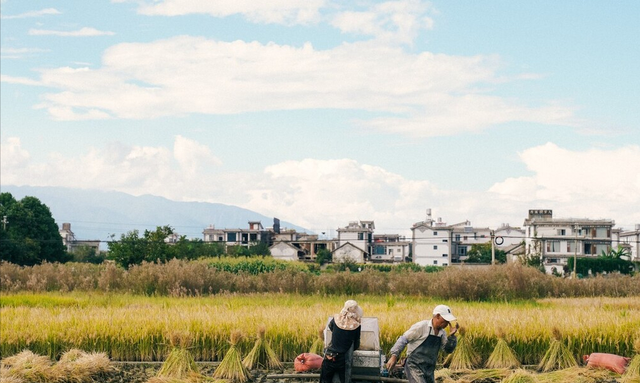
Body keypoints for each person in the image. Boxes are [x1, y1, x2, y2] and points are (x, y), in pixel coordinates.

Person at [385, 304, 459, 383]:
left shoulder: (442, 333)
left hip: (429, 369)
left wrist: (452, 336)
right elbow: (403, 339)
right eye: (445, 320)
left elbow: (448, 350)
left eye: (448, 321)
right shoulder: (422, 327)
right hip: (414, 366)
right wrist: (394, 356)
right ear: (437, 316)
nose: (447, 323)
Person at [319, 300, 363, 383]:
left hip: (330, 355)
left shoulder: (335, 319)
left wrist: (338, 336)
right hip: (343, 359)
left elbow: (330, 327)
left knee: (325, 380)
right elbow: (356, 343)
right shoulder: (356, 325)